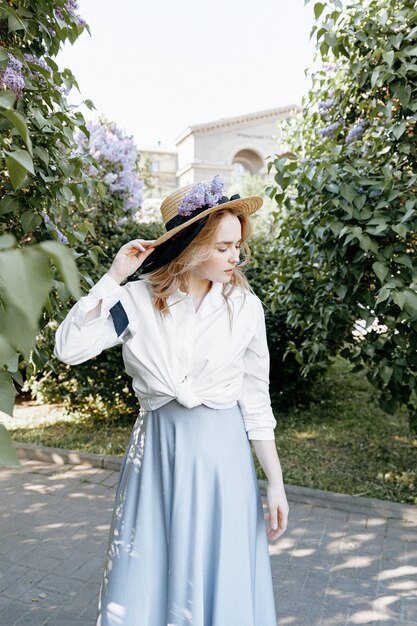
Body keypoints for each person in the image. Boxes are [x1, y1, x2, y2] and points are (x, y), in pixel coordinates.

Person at [54, 174, 289, 626]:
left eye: (237, 246)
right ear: (188, 244)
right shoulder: (135, 300)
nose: (234, 257)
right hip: (158, 459)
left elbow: (256, 401)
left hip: (224, 466)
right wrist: (114, 276)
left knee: (221, 573)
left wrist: (275, 481)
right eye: (222, 247)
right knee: (150, 572)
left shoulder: (245, 308)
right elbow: (69, 348)